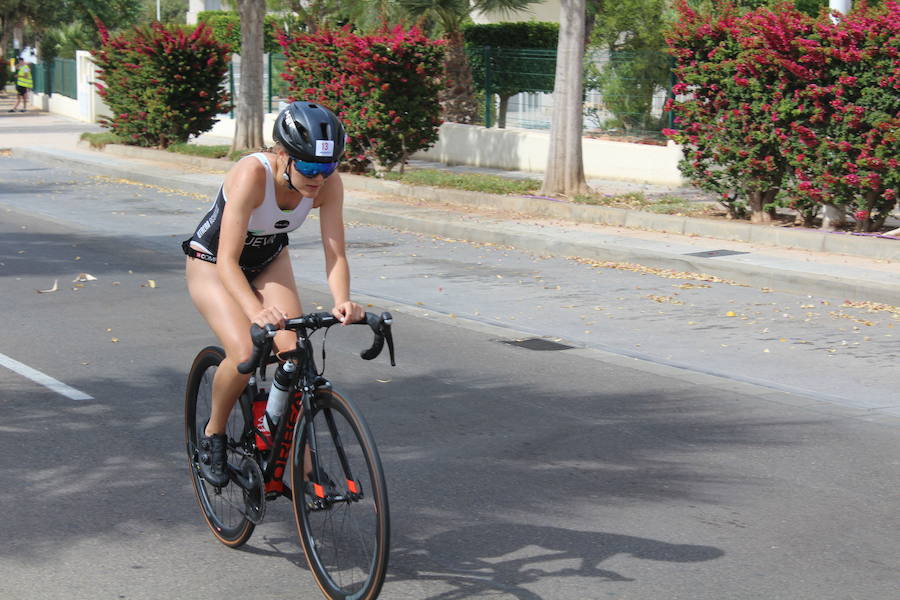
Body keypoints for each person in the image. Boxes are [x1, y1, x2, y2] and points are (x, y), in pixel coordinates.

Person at [183, 101, 364, 486]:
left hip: (268, 259)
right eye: (310, 168)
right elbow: (227, 261)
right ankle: (213, 434)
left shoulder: (328, 184)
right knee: (246, 353)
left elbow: (336, 254)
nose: (319, 178)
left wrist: (342, 300)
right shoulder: (252, 174)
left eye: (327, 167)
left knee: (294, 354)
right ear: (282, 155)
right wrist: (255, 311)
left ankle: (294, 453)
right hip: (213, 263)